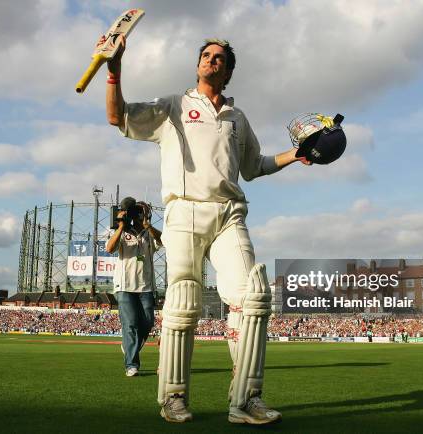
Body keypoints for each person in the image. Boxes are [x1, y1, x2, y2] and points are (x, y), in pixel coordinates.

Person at [104, 35, 311, 424]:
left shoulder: (237, 118)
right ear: (198, 64)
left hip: (229, 213)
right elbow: (120, 118)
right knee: (183, 300)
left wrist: (295, 156)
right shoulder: (174, 106)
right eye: (206, 56)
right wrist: (114, 70)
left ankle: (246, 400)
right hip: (184, 211)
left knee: (253, 296)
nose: (211, 61)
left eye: (219, 59)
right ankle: (174, 397)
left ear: (229, 71)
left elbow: (255, 166)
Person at [106, 197, 162, 377]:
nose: (138, 216)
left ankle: (130, 346)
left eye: (142, 213)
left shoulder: (149, 233)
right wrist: (121, 226)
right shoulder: (122, 231)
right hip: (124, 286)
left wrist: (148, 227)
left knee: (147, 323)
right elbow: (109, 248)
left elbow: (162, 240)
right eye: (136, 213)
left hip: (145, 286)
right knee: (130, 325)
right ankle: (131, 364)